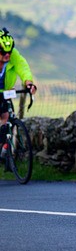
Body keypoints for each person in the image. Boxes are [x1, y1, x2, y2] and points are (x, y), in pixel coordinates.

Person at [0, 28, 37, 159]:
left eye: (9, 52)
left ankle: (5, 148)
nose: (7, 55)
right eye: (3, 52)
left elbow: (22, 67)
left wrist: (29, 83)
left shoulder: (13, 55)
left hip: (5, 91)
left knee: (7, 117)